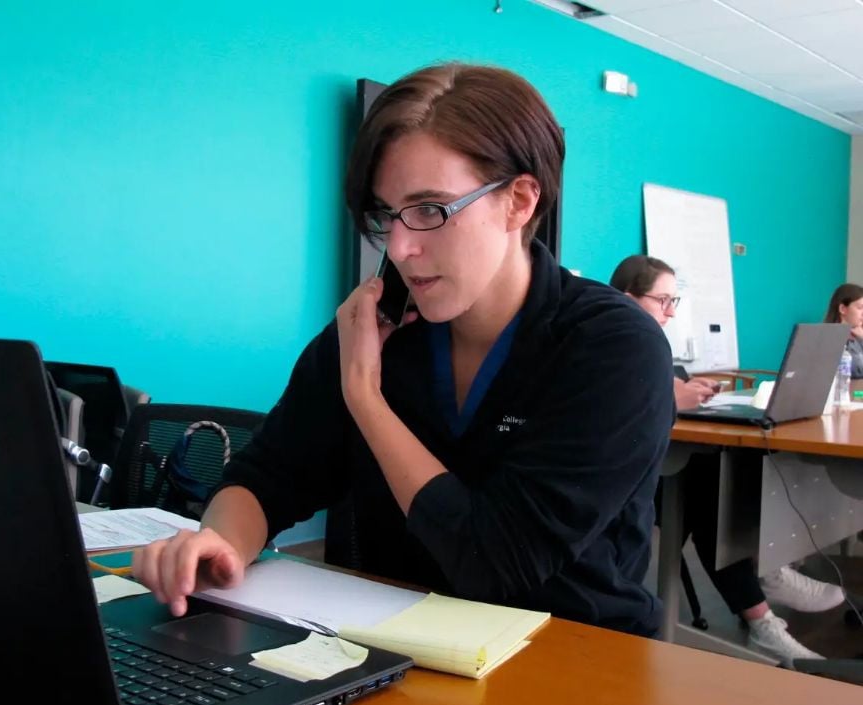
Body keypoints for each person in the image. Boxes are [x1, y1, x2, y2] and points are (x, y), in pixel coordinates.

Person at [133, 63, 676, 637]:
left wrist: (366, 399)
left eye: (429, 211)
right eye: (386, 215)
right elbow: (270, 473)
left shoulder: (614, 347)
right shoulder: (379, 325)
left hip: (571, 658)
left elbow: (492, 563)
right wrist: (220, 542)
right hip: (387, 647)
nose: (399, 247)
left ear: (518, 201)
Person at [611, 254, 845, 665]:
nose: (669, 312)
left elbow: (652, 384)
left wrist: (683, 387)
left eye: (673, 302)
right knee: (709, 491)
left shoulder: (646, 338)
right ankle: (761, 609)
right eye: (660, 300)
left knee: (720, 474)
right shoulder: (606, 336)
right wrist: (668, 396)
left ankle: (764, 578)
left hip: (655, 461)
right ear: (626, 296)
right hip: (624, 474)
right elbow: (612, 405)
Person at [824, 283, 863, 378]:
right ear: (842, 309)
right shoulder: (829, 338)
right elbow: (856, 369)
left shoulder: (858, 334)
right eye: (860, 308)